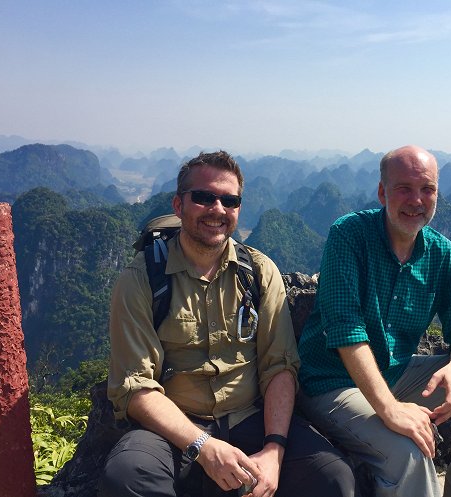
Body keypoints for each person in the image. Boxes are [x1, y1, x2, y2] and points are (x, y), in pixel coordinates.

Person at [100, 151, 355, 497]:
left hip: (249, 417)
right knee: (127, 476)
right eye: (204, 197)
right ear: (178, 205)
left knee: (332, 476)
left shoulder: (260, 272)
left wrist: (274, 451)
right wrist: (204, 447)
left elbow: (279, 366)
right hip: (175, 426)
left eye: (229, 200)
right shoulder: (142, 278)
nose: (217, 209)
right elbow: (135, 388)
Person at [297, 145, 451, 497]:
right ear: (381, 192)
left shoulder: (443, 255)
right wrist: (389, 410)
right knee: (409, 450)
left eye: (427, 189)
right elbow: (346, 329)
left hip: (396, 373)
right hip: (333, 382)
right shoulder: (349, 235)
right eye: (404, 188)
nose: (416, 200)